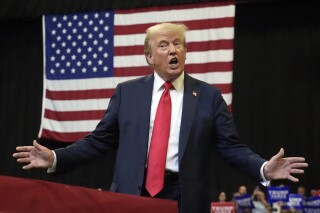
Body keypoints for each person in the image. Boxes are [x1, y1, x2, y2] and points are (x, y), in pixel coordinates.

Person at [13, 23, 308, 213]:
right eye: (164, 45)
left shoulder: (208, 96)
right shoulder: (127, 94)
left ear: (186, 52)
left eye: (178, 44)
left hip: (184, 197)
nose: (173, 50)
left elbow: (231, 147)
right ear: (150, 57)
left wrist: (263, 168)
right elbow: (98, 142)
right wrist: (56, 158)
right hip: (132, 194)